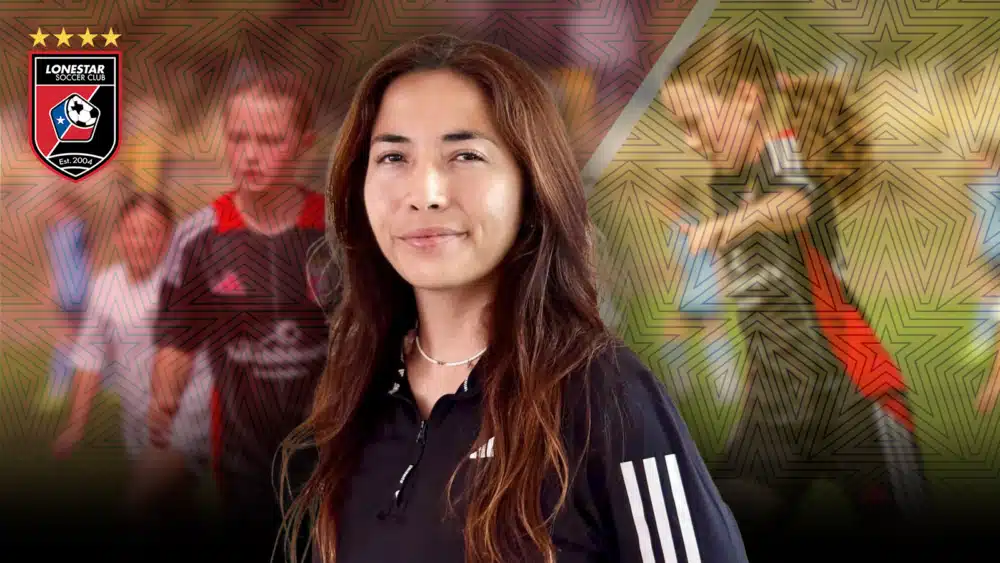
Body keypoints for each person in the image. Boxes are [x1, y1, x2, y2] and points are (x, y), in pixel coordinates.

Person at [278, 34, 748, 563]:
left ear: (531, 183)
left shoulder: (605, 394)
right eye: (393, 156)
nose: (426, 192)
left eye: (465, 154)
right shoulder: (349, 404)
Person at [660, 30, 927, 539]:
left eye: (695, 124)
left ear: (745, 98)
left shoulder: (786, 155)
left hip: (852, 397)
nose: (690, 141)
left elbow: (793, 205)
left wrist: (729, 226)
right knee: (704, 541)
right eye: (680, 128)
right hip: (776, 409)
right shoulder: (724, 182)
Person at [146, 67, 330, 546]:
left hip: (336, 456)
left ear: (305, 142)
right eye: (238, 138)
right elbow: (176, 339)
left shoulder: (341, 235)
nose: (249, 154)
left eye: (269, 140)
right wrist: (165, 394)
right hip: (243, 462)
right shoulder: (198, 237)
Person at [51, 191, 212, 516]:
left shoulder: (184, 284)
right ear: (118, 236)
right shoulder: (104, 286)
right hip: (138, 424)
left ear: (170, 237)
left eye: (151, 233)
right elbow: (89, 356)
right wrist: (75, 426)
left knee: (135, 507)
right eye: (132, 232)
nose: (140, 242)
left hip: (187, 421)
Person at [39, 187, 94, 410]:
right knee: (69, 337)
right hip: (64, 291)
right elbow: (53, 264)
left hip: (80, 288)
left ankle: (64, 384)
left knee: (79, 336)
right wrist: (50, 285)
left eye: (60, 206)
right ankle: (62, 383)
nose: (56, 210)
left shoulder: (78, 228)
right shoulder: (52, 233)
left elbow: (90, 257)